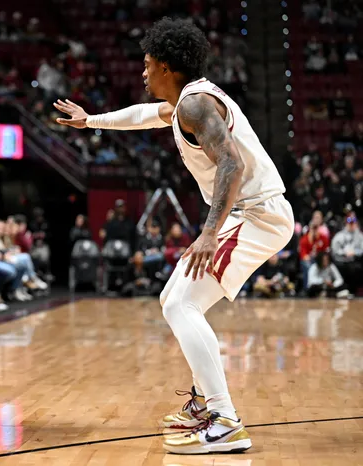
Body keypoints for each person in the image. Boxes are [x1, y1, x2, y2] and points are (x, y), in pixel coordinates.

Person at [53, 17, 293, 454]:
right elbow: (146, 116)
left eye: (147, 64)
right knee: (173, 301)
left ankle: (224, 420)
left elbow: (232, 165)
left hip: (256, 213)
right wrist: (90, 122)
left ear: (166, 66)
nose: (143, 73)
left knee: (182, 303)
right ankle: (205, 404)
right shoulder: (185, 101)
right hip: (250, 213)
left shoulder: (197, 105)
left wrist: (208, 233)